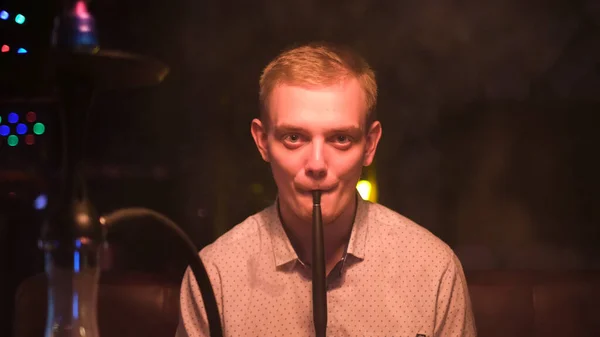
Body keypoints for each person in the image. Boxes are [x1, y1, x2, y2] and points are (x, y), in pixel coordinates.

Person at [176, 42, 477, 337]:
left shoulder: (433, 269)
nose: (317, 164)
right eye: (294, 137)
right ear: (262, 141)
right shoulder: (214, 277)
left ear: (370, 145)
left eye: (341, 139)